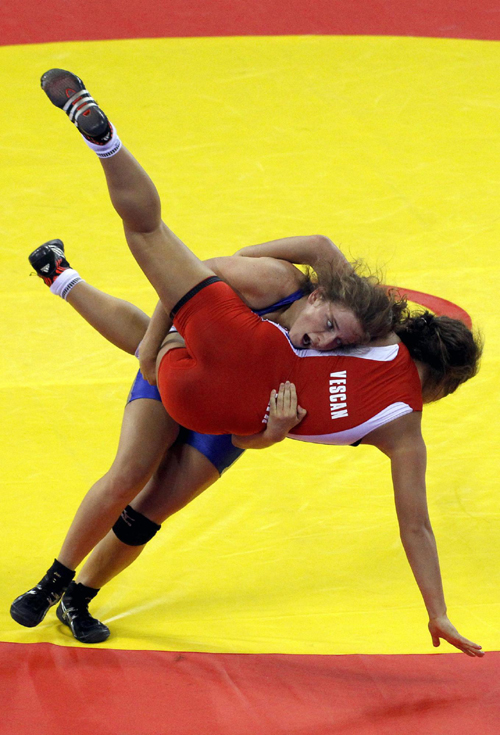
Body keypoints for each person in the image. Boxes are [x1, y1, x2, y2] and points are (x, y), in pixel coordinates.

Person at [12, 69, 484, 657]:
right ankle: (57, 578)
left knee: (147, 511)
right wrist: (158, 348)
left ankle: (78, 597)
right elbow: (229, 271)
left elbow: (315, 268)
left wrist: (267, 432)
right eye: (328, 329)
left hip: (238, 409)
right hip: (211, 347)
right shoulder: (280, 285)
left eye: (340, 343)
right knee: (132, 467)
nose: (326, 346)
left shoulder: (367, 337)